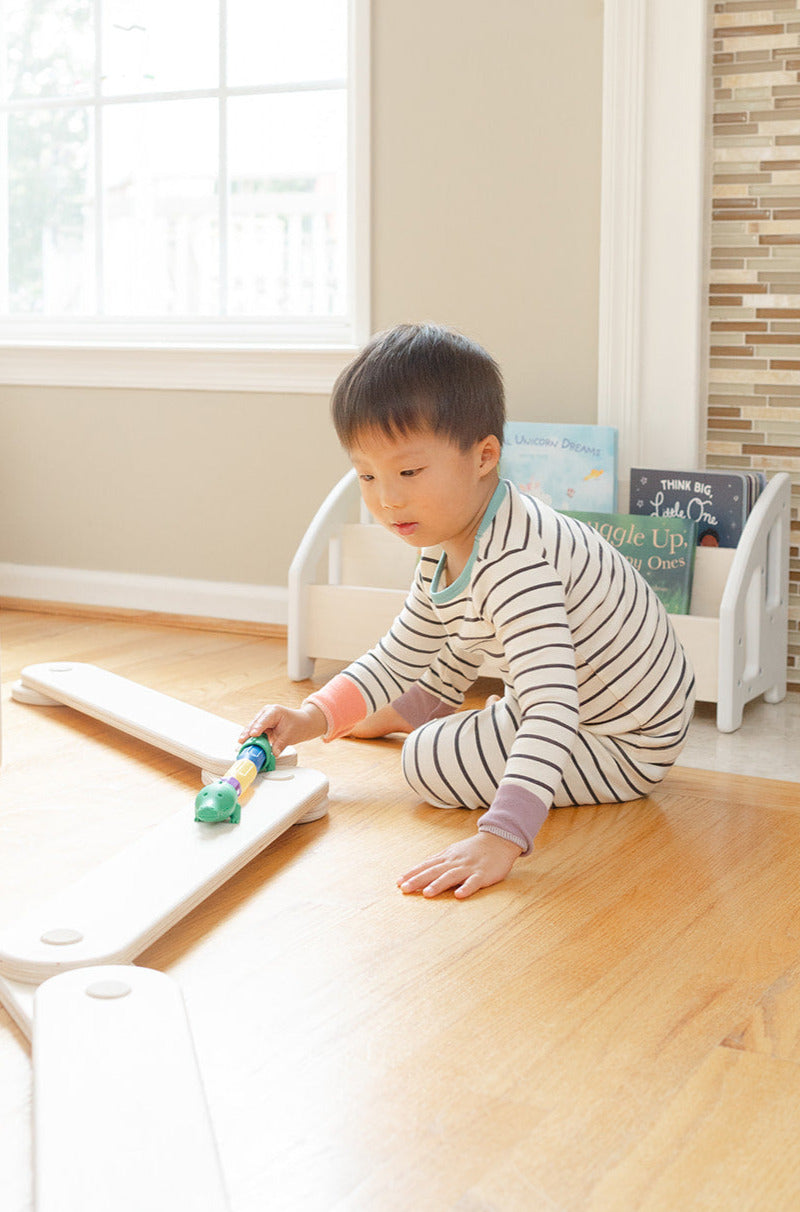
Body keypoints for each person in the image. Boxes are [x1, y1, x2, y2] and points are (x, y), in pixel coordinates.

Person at [240, 323, 695, 899]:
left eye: (408, 472)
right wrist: (311, 717)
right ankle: (420, 705)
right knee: (453, 623)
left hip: (626, 739)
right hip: (583, 705)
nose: (388, 498)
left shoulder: (516, 562)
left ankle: (422, 717)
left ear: (484, 456)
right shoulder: (449, 537)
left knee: (426, 762)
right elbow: (401, 650)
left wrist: (501, 837)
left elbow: (551, 708)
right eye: (367, 476)